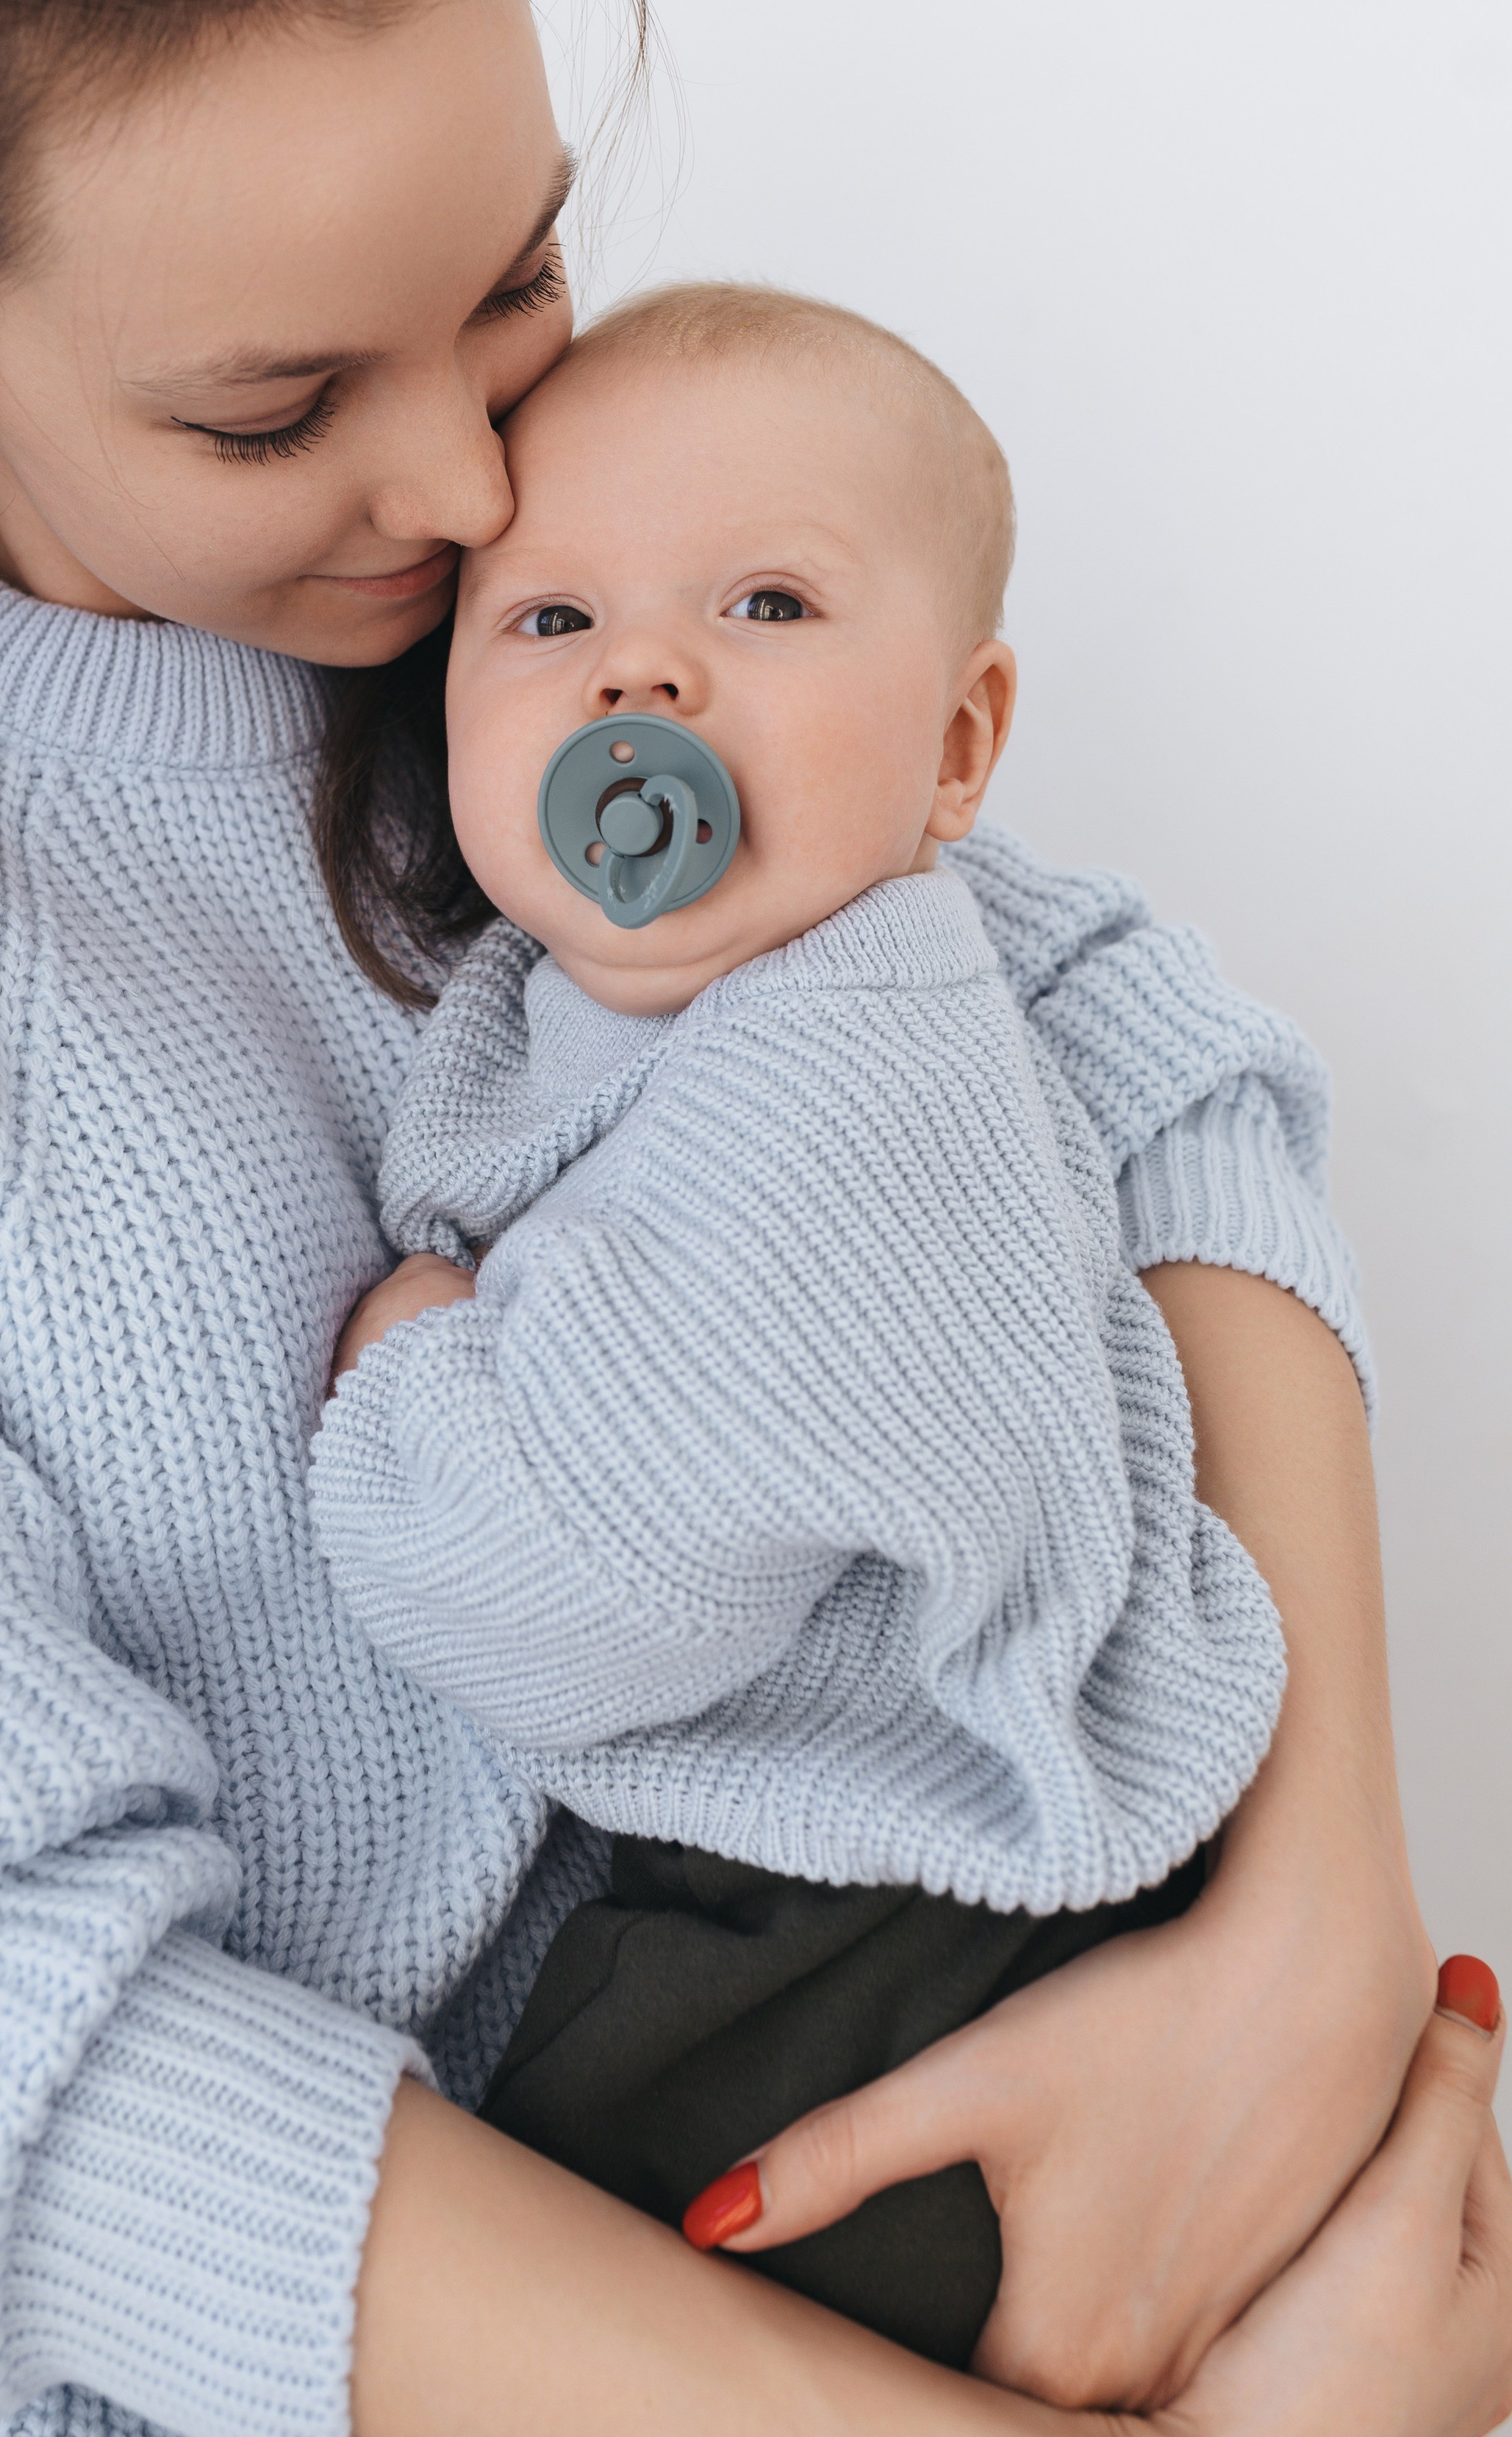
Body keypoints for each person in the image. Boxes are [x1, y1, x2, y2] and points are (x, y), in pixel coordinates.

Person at [0, 0, 1483, 2433]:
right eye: (279, 409)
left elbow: (1120, 1045)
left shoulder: (552, 609)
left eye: (512, 282)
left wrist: (1314, 1928)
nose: (485, 487)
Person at [310, 281, 1304, 2366]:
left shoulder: (849, 1073)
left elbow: (570, 1586)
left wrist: (412, 1376)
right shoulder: (665, 1007)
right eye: (551, 623)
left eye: (764, 605)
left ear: (955, 749)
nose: (646, 668)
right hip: (860, 1906)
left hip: (878, 1948)